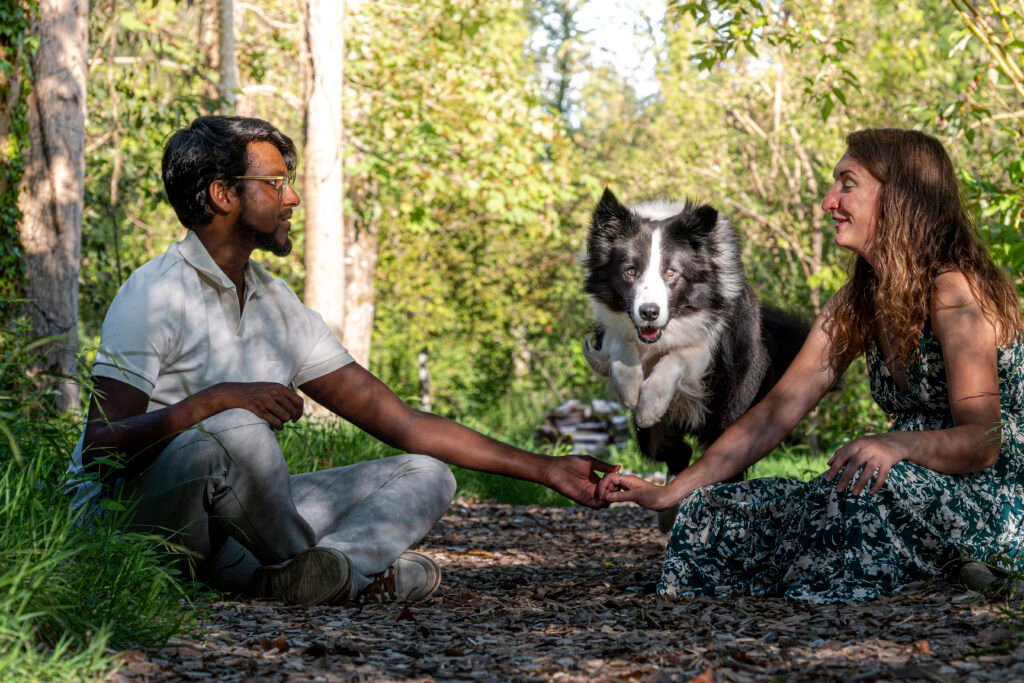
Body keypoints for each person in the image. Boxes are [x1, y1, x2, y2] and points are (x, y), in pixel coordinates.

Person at [68, 115, 617, 607]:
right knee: (233, 427)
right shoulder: (154, 292)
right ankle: (336, 573)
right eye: (275, 184)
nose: (291, 200)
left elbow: (402, 423)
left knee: (426, 473)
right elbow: (99, 446)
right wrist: (215, 400)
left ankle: (305, 575)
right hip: (142, 531)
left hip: (234, 541)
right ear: (222, 195)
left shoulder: (278, 305)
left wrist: (546, 468)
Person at [598, 128, 1024, 603]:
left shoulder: (955, 292)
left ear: (902, 195)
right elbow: (777, 411)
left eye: (847, 183)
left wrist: (893, 444)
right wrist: (672, 491)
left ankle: (966, 564)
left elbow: (983, 443)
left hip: (991, 496)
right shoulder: (857, 301)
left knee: (854, 500)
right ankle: (903, 564)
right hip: (904, 482)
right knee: (714, 511)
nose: (828, 201)